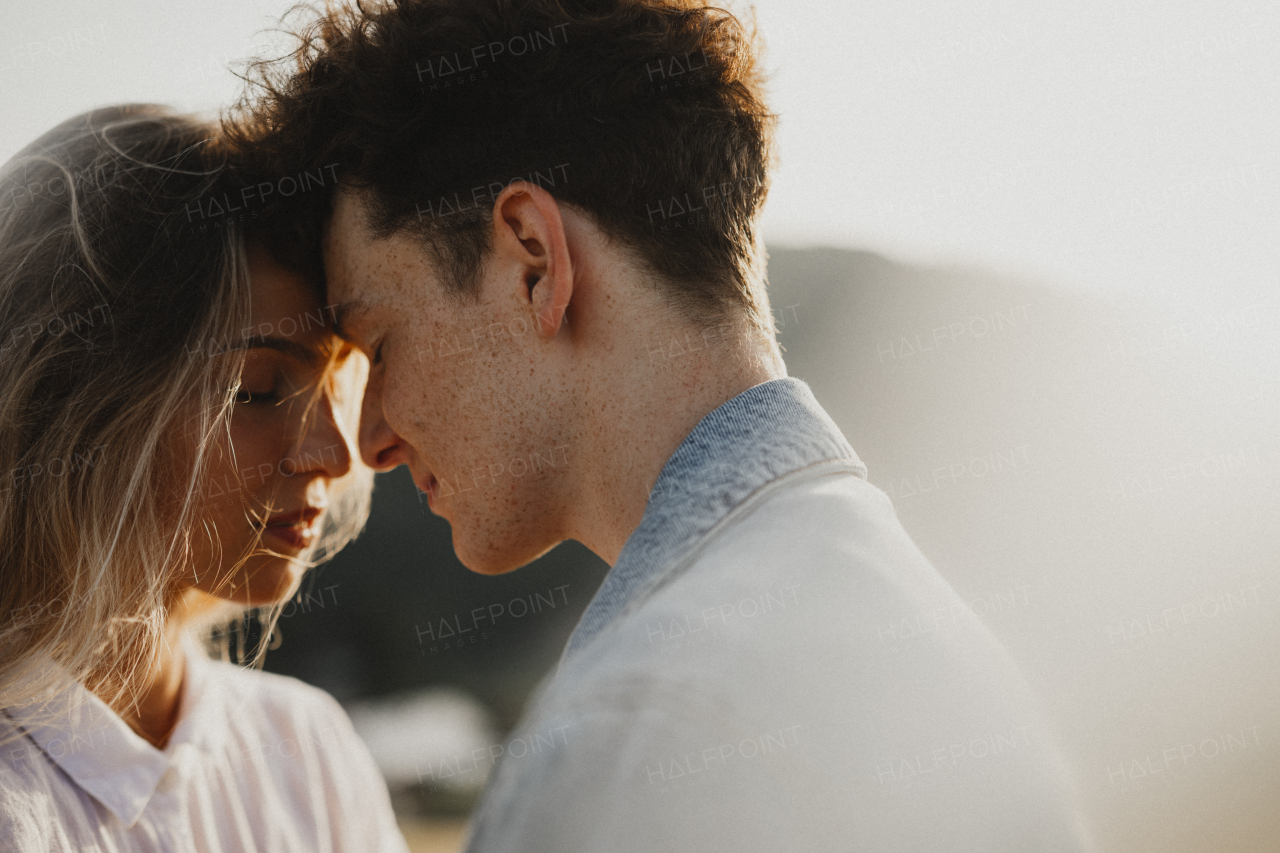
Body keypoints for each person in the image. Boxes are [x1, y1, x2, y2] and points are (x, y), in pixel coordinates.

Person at [230, 0, 1093, 849]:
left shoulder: (639, 732)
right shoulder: (914, 621)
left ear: (533, 260)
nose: (370, 441)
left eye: (380, 345)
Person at [0, 105, 408, 853]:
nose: (334, 454)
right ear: (74, 403)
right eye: (255, 389)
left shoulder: (306, 749)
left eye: (338, 388)